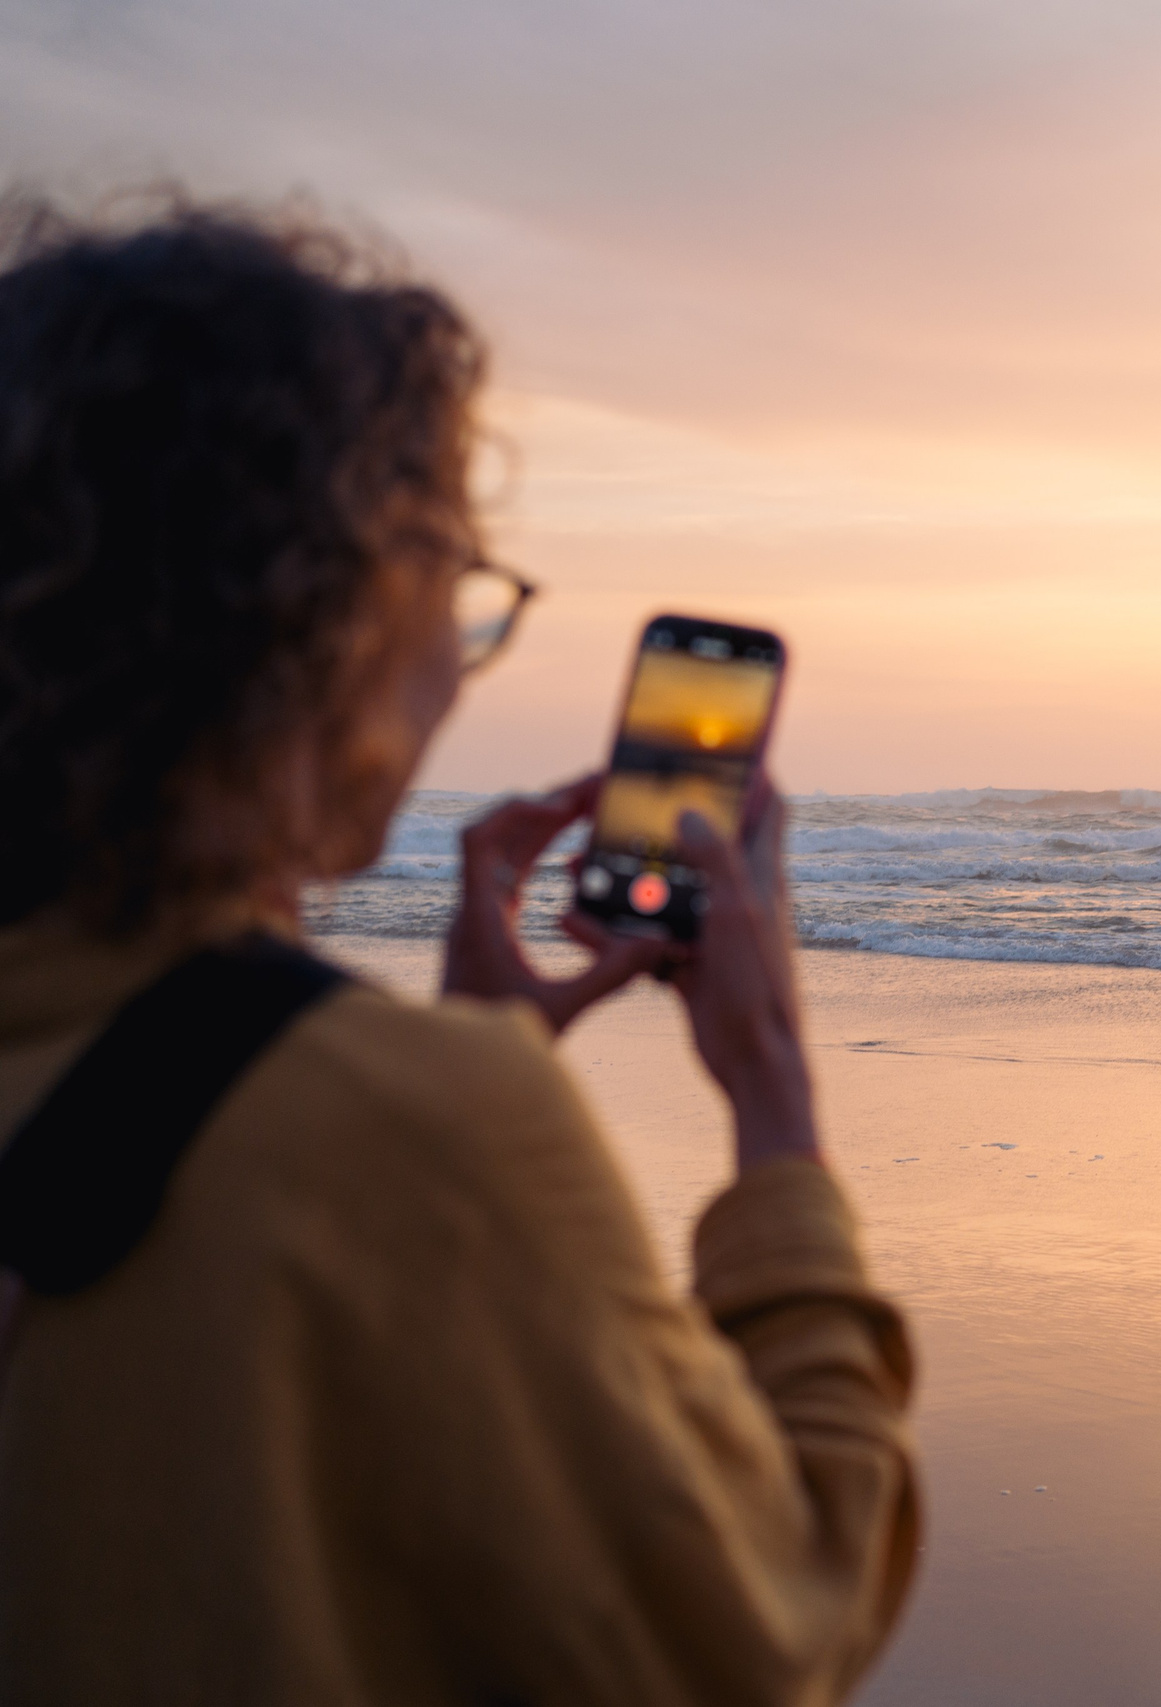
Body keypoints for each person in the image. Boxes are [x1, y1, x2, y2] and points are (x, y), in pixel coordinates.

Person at [0, 205, 917, 1701]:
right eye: (461, 589)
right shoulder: (410, 1134)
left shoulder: (340, 1109)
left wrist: (397, 1055)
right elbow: (778, 1619)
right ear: (331, 616)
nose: (456, 659)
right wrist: (774, 1096)